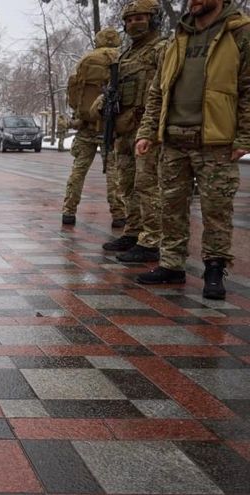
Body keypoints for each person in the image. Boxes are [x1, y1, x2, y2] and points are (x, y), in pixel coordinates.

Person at [134, 0, 249, 299]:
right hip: (173, 140)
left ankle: (214, 268)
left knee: (216, 210)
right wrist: (147, 132)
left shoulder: (239, 33)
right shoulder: (179, 37)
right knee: (170, 207)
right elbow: (158, 90)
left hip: (215, 141)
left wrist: (245, 137)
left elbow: (248, 88)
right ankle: (171, 264)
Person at [101, 0, 167, 263]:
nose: (134, 23)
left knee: (147, 185)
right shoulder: (126, 55)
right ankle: (134, 231)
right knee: (126, 184)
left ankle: (152, 240)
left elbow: (165, 89)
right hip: (124, 129)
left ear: (153, 19)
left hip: (146, 129)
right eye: (129, 20)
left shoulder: (160, 49)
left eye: (141, 18)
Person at [61, 27, 124, 227]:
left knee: (78, 172)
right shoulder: (123, 60)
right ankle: (119, 214)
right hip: (112, 127)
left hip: (86, 125)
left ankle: (69, 211)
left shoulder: (85, 61)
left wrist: (81, 112)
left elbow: (73, 92)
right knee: (114, 174)